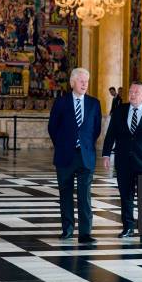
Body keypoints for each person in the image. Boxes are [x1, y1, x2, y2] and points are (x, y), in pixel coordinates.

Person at [102, 81, 142, 245]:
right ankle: (128, 228)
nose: (132, 95)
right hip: (123, 162)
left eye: (136, 92)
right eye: (130, 92)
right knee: (126, 197)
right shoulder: (120, 111)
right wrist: (105, 154)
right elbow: (111, 134)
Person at [48, 68, 101, 244]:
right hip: (65, 156)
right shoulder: (61, 103)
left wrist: (84, 145)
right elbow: (52, 128)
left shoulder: (94, 103)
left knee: (85, 196)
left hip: (85, 156)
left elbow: (96, 129)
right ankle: (68, 229)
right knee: (66, 194)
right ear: (72, 83)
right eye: (81, 81)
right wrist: (64, 145)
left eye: (86, 81)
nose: (85, 84)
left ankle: (85, 233)